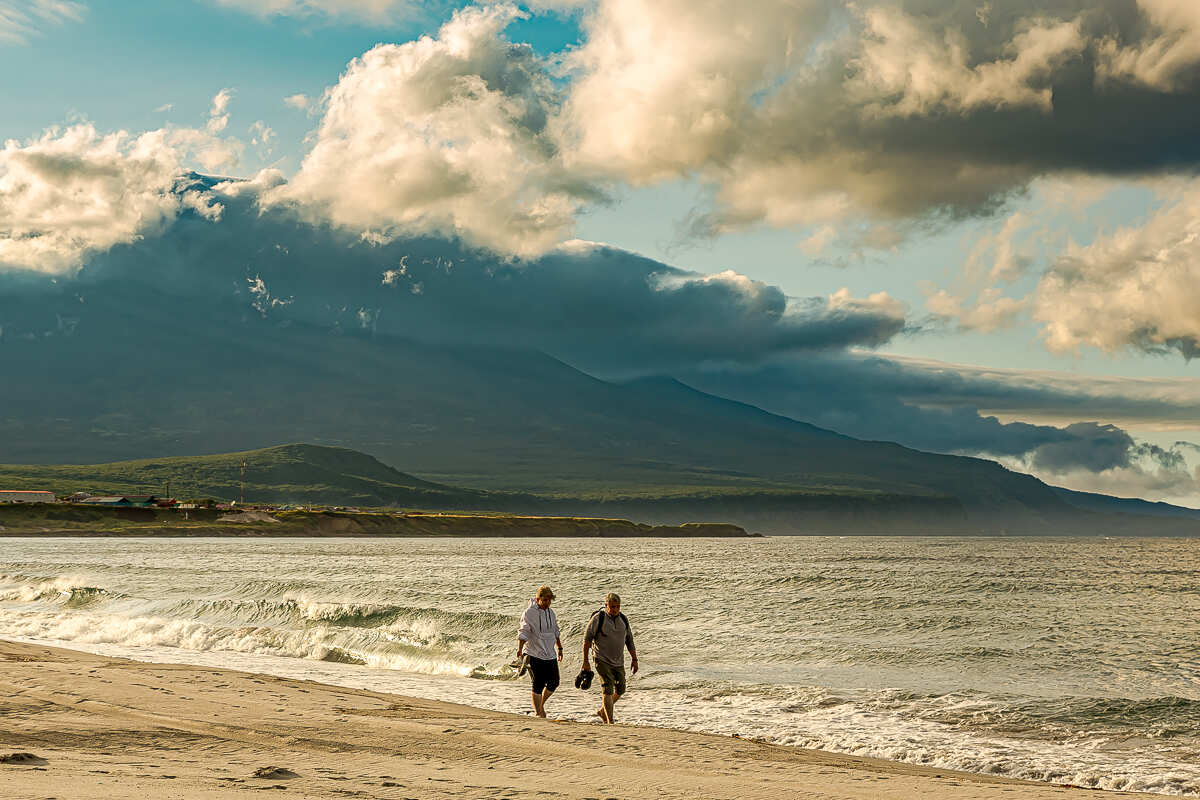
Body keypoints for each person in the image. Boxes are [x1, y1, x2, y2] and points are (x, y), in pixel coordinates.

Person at [581, 592, 637, 724]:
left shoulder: (623, 619)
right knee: (607, 688)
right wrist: (585, 662)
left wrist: (634, 659)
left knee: (621, 688)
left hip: (618, 661)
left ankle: (602, 711)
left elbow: (629, 640)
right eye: (612, 607)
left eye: (617, 606)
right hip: (601, 659)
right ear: (606, 606)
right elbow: (586, 641)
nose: (615, 610)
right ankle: (609, 721)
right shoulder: (598, 619)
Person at [516, 585, 563, 718]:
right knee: (538, 683)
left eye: (549, 600)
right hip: (533, 652)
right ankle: (538, 712)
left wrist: (559, 648)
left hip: (550, 653)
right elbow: (523, 631)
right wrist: (520, 649)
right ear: (538, 599)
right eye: (545, 600)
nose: (548, 603)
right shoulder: (529, 613)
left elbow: (555, 631)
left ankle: (540, 706)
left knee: (554, 682)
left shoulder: (551, 612)